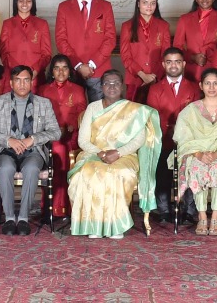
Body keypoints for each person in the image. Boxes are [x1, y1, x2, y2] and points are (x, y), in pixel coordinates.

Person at [68, 71, 161, 239]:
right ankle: (93, 225)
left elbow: (138, 140)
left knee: (117, 173)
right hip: (94, 153)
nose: (112, 87)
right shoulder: (93, 108)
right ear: (101, 87)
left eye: (116, 83)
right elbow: (83, 140)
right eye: (108, 83)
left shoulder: (134, 110)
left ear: (123, 86)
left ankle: (116, 225)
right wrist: (101, 153)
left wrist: (117, 153)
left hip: (125, 156)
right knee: (86, 173)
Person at [0, 65, 61, 233]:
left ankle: (24, 218)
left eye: (26, 80)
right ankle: (10, 219)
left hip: (33, 152)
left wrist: (32, 139)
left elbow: (56, 132)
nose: (22, 84)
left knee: (32, 168)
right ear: (11, 83)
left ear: (31, 82)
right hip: (5, 151)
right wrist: (8, 140)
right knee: (6, 168)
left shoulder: (43, 103)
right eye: (18, 80)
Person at [171, 68, 217, 235]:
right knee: (197, 168)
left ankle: (215, 216)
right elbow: (182, 136)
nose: (211, 87)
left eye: (215, 83)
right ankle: (202, 217)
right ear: (201, 86)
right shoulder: (191, 110)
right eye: (207, 83)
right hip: (196, 154)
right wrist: (198, 154)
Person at [142, 47, 197, 213]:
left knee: (190, 165)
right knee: (161, 164)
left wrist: (181, 131)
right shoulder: (155, 89)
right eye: (169, 62)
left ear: (184, 64)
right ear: (163, 65)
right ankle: (164, 209)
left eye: (177, 62)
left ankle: (189, 209)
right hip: (163, 137)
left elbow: (195, 116)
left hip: (188, 139)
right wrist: (169, 131)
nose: (174, 66)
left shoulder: (194, 88)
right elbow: (153, 117)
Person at [36, 55, 87, 220]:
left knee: (62, 149)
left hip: (71, 136)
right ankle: (49, 207)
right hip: (49, 136)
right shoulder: (43, 89)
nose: (60, 71)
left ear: (70, 71)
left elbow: (82, 114)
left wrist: (70, 126)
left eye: (64, 67)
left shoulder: (78, 90)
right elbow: (39, 115)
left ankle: (66, 208)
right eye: (57, 68)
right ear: (52, 71)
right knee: (55, 149)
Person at [55, 0, 117, 99]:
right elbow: (61, 40)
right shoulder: (64, 7)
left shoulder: (105, 6)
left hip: (99, 69)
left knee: (100, 114)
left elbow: (110, 39)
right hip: (72, 70)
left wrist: (91, 64)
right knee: (73, 112)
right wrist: (78, 65)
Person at [120, 0, 172, 96]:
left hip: (157, 78)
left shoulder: (163, 26)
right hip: (134, 78)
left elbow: (166, 55)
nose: (149, 6)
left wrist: (154, 76)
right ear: (138, 4)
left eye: (153, 3)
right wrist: (143, 75)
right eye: (145, 3)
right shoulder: (127, 26)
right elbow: (126, 56)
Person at [0, 0, 53, 78]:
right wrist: (15, 72)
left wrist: (35, 71)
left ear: (33, 2)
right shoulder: (7, 24)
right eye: (21, 0)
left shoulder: (42, 24)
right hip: (13, 74)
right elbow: (3, 52)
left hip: (36, 76)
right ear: (16, 2)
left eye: (28, 1)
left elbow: (46, 53)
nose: (25, 4)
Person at [173, 0, 217, 69]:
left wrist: (214, 55)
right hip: (192, 69)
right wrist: (192, 57)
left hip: (216, 68)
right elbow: (177, 48)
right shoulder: (185, 19)